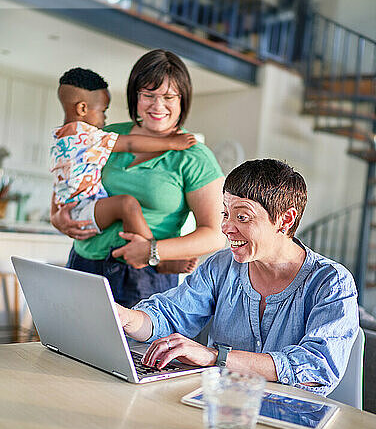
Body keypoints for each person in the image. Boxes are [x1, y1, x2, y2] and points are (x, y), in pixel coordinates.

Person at [117, 159, 359, 395]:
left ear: (285, 219)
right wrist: (126, 318)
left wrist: (215, 357)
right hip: (221, 407)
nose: (226, 227)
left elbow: (318, 367)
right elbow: (170, 315)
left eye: (242, 217)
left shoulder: (331, 283)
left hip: (292, 419)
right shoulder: (221, 265)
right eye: (225, 214)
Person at [51, 50, 225, 307]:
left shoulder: (195, 156)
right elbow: (67, 177)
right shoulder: (106, 135)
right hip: (82, 265)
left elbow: (215, 234)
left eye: (168, 97)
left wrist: (153, 251)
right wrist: (56, 216)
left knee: (132, 349)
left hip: (144, 278)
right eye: (148, 95)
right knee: (65, 345)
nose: (158, 106)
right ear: (135, 96)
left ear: (182, 100)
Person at [51, 67, 197, 238]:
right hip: (81, 211)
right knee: (127, 205)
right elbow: (129, 143)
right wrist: (171, 142)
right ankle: (151, 250)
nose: (104, 118)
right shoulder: (87, 136)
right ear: (82, 109)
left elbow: (58, 183)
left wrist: (55, 217)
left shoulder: (60, 137)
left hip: (69, 211)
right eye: (102, 111)